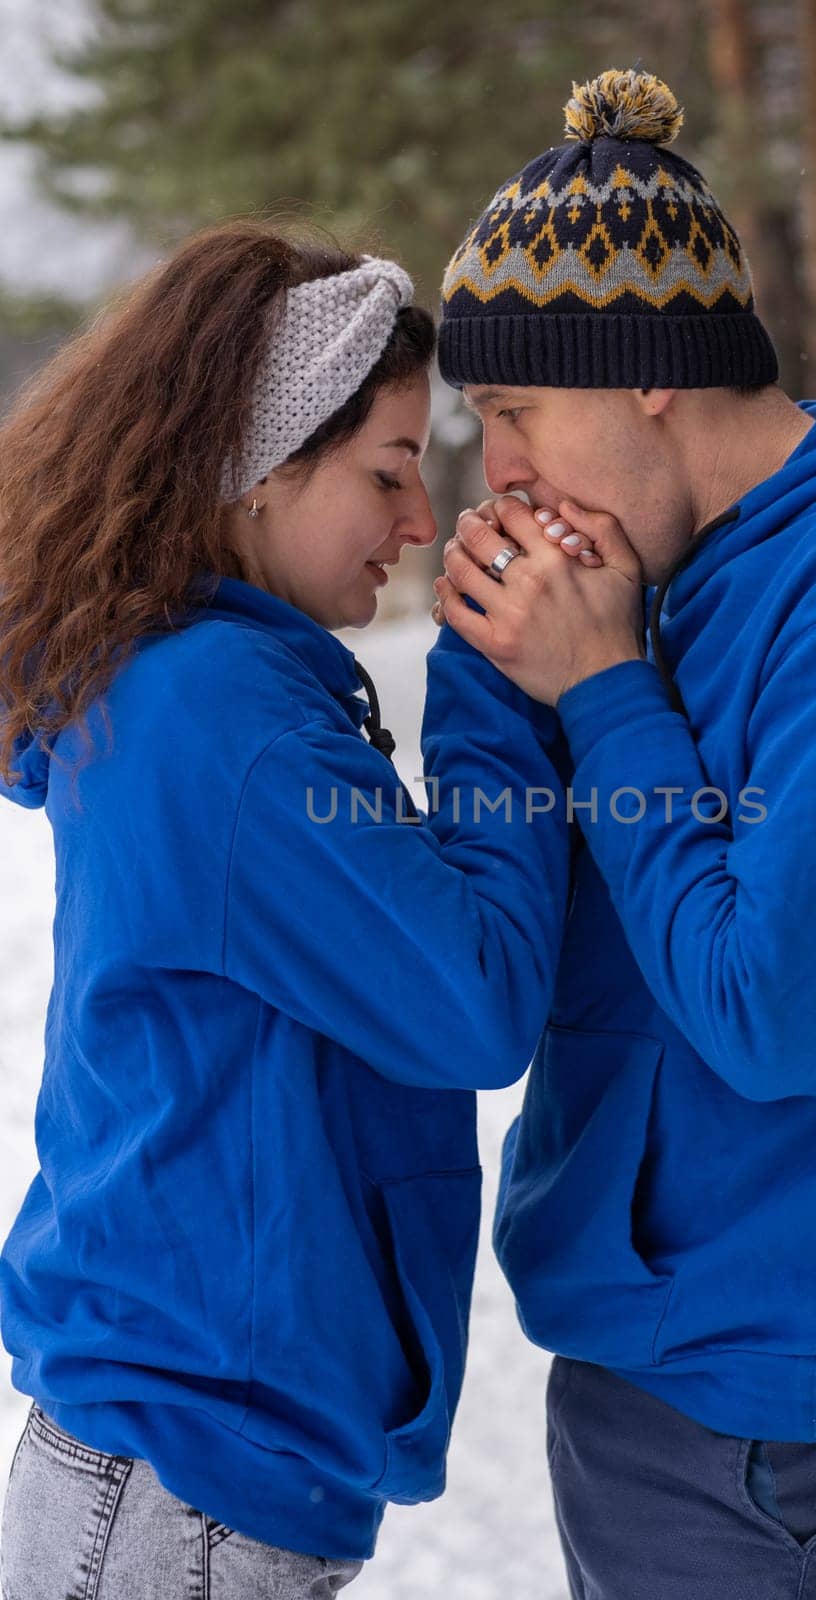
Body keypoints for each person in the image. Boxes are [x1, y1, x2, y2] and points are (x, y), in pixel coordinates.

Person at [429, 68, 816, 1599]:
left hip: (774, 1417)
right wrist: (500, 668)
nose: (495, 468)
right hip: (669, 1364)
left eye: (514, 410)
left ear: (643, 369)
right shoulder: (694, 579)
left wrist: (599, 689)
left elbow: (769, 1012)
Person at [0, 221, 577, 1597]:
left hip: (184, 1434)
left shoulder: (192, 684)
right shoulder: (222, 711)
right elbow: (471, 999)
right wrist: (503, 683)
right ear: (253, 467)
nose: (421, 519)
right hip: (194, 1455)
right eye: (388, 469)